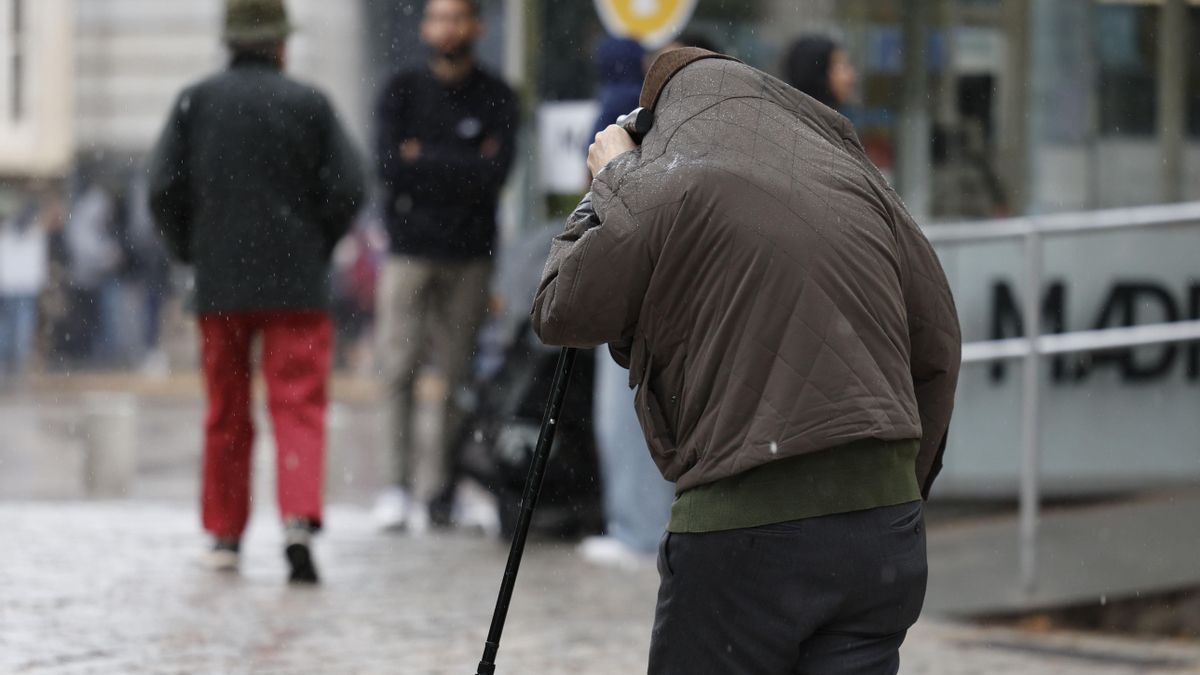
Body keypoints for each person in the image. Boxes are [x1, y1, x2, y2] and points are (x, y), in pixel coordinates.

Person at [532, 48, 961, 673]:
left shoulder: (667, 176)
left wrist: (613, 179)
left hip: (742, 526)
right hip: (880, 534)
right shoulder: (854, 173)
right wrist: (890, 488)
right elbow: (940, 342)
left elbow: (558, 308)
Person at [147, 0, 366, 584]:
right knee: (297, 406)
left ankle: (223, 535)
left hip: (220, 283)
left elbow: (162, 188)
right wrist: (317, 240)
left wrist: (192, 249)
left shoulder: (196, 103)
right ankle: (297, 519)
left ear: (229, 42)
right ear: (280, 45)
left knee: (226, 411)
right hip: (297, 285)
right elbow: (350, 185)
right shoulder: (310, 104)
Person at [372, 0, 517, 534]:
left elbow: (494, 174)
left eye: (457, 17)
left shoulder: (497, 95)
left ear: (476, 26)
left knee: (456, 378)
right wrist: (461, 162)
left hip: (470, 255)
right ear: (424, 25)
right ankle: (395, 485)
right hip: (408, 250)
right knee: (397, 370)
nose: (447, 28)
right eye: (437, 17)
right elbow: (388, 167)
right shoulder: (401, 90)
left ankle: (441, 490)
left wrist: (424, 160)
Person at [0, 187, 49, 382]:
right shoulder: (34, 233)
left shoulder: (8, 230)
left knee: (10, 325)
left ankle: (8, 363)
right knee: (22, 325)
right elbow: (38, 262)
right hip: (24, 286)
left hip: (10, 285)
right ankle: (18, 364)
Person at [783, 34, 858, 110]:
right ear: (820, 72)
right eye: (843, 66)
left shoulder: (795, 113)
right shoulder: (811, 118)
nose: (852, 76)